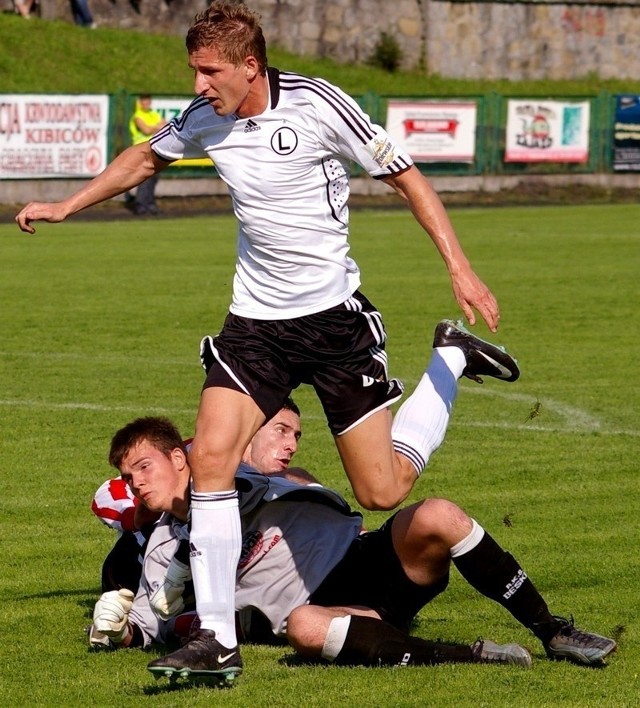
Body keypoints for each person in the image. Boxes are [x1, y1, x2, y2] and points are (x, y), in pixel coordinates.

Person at [16, 2, 521, 681]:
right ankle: (219, 640)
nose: (198, 84)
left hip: (332, 322)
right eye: (193, 70)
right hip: (254, 325)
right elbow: (143, 158)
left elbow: (405, 177)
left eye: (208, 71)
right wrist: (66, 205)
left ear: (249, 66)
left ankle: (451, 358)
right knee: (215, 457)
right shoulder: (205, 120)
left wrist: (459, 266)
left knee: (382, 490)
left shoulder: (317, 104)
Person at [90, 415, 616, 681]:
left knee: (437, 512)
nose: (134, 482)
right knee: (303, 628)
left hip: (369, 558)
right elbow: (152, 624)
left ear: (181, 458)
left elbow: (247, 431)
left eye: (143, 467)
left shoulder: (237, 473)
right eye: (125, 475)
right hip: (332, 609)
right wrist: (115, 628)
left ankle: (555, 632)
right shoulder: (161, 548)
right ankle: (471, 655)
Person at [91, 398, 305, 596]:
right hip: (132, 570)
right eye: (281, 431)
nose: (291, 446)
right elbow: (107, 493)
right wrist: (140, 514)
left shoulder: (282, 482)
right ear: (251, 429)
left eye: (295, 436)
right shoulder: (201, 455)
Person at [128, 95, 168, 215]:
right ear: (140, 103)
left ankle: (150, 204)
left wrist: (153, 127)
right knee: (144, 178)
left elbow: (165, 125)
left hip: (154, 149)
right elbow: (146, 130)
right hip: (142, 151)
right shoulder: (137, 116)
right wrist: (157, 127)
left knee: (153, 178)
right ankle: (141, 206)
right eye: (144, 101)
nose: (146, 103)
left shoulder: (153, 114)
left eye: (148, 101)